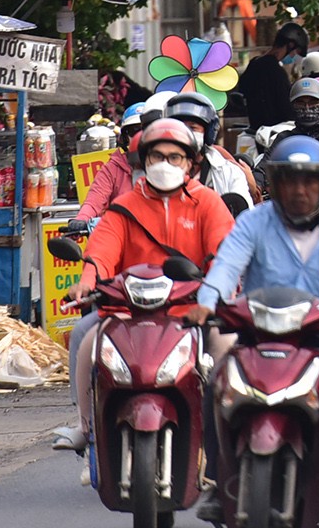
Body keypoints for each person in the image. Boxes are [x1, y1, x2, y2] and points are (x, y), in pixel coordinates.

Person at [188, 134, 319, 528]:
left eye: (309, 181)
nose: (300, 191)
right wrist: (207, 302)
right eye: (290, 181)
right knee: (217, 382)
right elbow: (225, 267)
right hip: (258, 338)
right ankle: (219, 483)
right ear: (275, 184)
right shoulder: (254, 221)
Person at [56, 118, 235, 455]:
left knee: (228, 346)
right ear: (144, 161)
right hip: (128, 312)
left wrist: (216, 292)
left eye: (174, 157)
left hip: (192, 312)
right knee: (85, 338)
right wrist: (86, 281)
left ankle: (225, 434)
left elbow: (223, 253)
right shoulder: (125, 207)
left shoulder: (208, 203)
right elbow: (101, 252)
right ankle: (87, 427)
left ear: (190, 162)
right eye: (156, 156)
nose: (165, 164)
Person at [166, 91, 258, 204]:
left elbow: (242, 215)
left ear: (208, 132)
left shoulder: (229, 172)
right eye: (179, 127)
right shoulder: (157, 169)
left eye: (193, 128)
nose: (185, 133)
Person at [236, 21, 306, 130]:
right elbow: (286, 108)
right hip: (275, 132)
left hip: (256, 129)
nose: (294, 56)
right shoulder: (276, 72)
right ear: (290, 45)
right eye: (296, 51)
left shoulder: (254, 63)